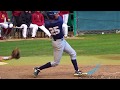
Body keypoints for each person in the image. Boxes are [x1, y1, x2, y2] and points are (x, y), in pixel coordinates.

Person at [33, 11, 83, 78]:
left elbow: (50, 19)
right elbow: (59, 17)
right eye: (56, 14)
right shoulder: (59, 21)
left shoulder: (47, 23)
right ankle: (38, 69)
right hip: (58, 44)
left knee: (73, 53)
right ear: (52, 16)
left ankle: (77, 70)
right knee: (55, 63)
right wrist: (50, 15)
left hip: (62, 41)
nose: (57, 14)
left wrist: (50, 15)